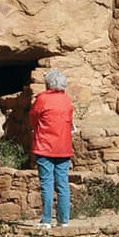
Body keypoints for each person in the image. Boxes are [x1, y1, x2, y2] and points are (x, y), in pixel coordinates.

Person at [29, 69, 75, 228]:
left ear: (48, 84)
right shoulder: (67, 100)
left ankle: (46, 219)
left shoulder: (42, 99)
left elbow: (33, 118)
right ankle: (63, 220)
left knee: (47, 183)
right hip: (63, 147)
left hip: (45, 146)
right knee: (62, 183)